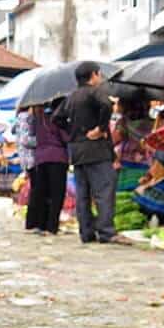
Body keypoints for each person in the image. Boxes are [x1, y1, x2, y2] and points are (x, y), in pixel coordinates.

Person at [54, 62, 126, 244]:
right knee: (103, 191)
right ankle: (106, 231)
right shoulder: (95, 92)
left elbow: (57, 118)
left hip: (77, 151)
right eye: (99, 75)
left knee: (83, 194)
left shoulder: (71, 97)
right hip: (96, 150)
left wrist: (73, 131)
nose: (100, 78)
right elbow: (107, 106)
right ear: (93, 75)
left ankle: (86, 232)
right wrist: (100, 128)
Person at [27, 103, 71, 235]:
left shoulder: (36, 119)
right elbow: (65, 138)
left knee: (43, 192)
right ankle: (52, 226)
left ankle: (41, 224)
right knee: (57, 193)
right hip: (57, 157)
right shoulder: (57, 118)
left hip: (40, 157)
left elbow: (32, 136)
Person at [15, 107, 38, 231]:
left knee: (34, 190)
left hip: (27, 159)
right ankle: (32, 222)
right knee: (35, 190)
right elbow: (25, 140)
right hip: (31, 159)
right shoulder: (25, 117)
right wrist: (43, 140)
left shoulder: (20, 118)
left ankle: (32, 222)